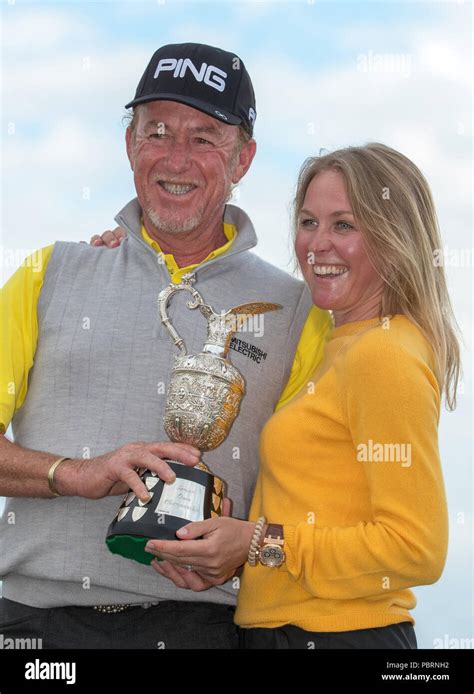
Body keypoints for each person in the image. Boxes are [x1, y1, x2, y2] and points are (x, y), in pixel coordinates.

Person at [0, 42, 332, 649]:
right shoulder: (49, 274)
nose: (176, 157)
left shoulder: (299, 313)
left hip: (203, 628)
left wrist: (242, 548)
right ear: (130, 144)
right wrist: (71, 473)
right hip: (31, 622)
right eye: (157, 131)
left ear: (244, 158)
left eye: (205, 138)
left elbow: (322, 507)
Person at [114, 142, 457, 649]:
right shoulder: (336, 343)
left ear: (393, 235)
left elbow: (416, 548)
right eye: (308, 222)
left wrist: (254, 542)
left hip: (339, 636)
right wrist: (234, 558)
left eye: (344, 225)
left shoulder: (383, 353)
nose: (317, 245)